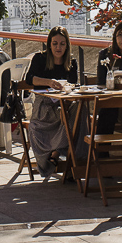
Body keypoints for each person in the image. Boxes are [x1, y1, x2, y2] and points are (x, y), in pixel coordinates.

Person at [26, 26, 79, 175]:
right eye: (55, 43)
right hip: (44, 105)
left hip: (64, 104)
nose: (58, 47)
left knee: (78, 110)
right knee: (74, 119)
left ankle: (64, 157)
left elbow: (74, 84)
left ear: (67, 45)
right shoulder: (40, 59)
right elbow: (30, 79)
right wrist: (48, 82)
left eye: (62, 44)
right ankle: (71, 162)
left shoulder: (71, 63)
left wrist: (67, 88)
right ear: (49, 44)